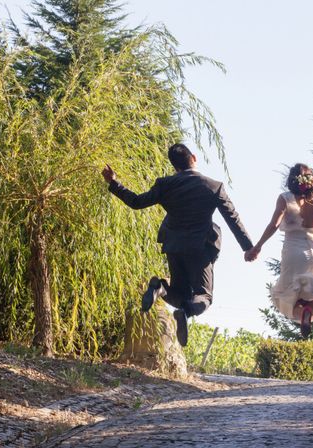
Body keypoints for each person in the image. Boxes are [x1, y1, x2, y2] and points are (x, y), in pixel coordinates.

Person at [101, 143, 254, 346]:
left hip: (173, 245)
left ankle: (160, 288)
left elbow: (137, 202)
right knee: (204, 296)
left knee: (179, 293)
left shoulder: (165, 184)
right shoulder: (213, 186)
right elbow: (232, 218)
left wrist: (114, 183)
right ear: (194, 158)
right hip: (200, 247)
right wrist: (248, 247)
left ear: (174, 166)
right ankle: (186, 312)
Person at [246, 164, 313, 337]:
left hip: (294, 254)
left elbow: (274, 224)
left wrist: (257, 247)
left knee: (284, 300)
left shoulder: (285, 198)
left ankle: (304, 314)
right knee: (310, 297)